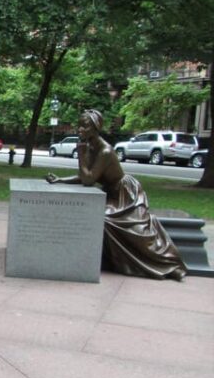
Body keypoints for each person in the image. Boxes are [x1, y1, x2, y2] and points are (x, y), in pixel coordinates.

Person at [45, 109, 185, 280]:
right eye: (79, 126)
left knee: (111, 221)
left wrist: (80, 155)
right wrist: (60, 180)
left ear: (96, 128)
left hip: (125, 194)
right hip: (110, 193)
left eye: (85, 126)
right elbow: (86, 176)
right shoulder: (90, 146)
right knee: (96, 216)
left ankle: (165, 264)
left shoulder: (105, 151)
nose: (80, 129)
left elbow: (89, 180)